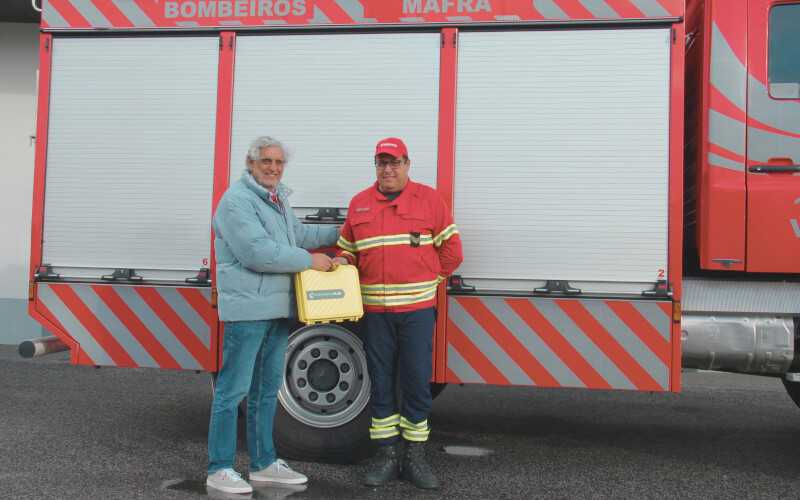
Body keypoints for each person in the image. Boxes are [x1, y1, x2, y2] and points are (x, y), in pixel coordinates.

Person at [206, 135, 339, 495]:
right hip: (248, 312)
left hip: (279, 310)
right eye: (266, 161)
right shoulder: (236, 202)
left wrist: (347, 232)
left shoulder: (277, 201)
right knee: (232, 392)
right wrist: (311, 261)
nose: (273, 168)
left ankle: (264, 464)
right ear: (250, 163)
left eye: (279, 163)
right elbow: (258, 252)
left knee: (266, 391)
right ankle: (218, 468)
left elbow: (299, 235)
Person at [333, 138, 463, 489]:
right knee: (381, 385)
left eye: (394, 162)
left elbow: (452, 250)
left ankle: (415, 459)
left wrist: (428, 282)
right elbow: (348, 252)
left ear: (407, 164)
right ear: (375, 166)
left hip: (417, 313)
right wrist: (340, 264)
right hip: (375, 314)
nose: (387, 169)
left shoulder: (429, 199)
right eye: (381, 162)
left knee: (417, 385)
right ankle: (387, 458)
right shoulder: (359, 204)